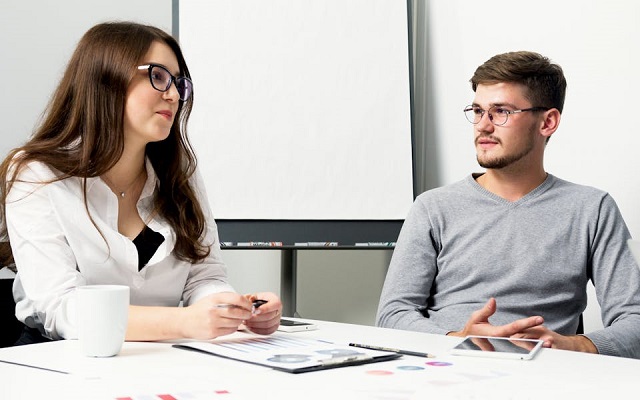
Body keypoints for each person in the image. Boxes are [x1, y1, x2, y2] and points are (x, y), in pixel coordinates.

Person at [0, 21, 282, 345]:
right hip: (61, 358)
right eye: (159, 76)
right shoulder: (36, 174)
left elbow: (205, 278)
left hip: (161, 357)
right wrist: (185, 322)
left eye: (178, 83)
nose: (174, 95)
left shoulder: (181, 172)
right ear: (107, 78)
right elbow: (62, 307)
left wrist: (234, 311)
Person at [376, 51, 640, 359]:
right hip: (445, 366)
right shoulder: (433, 207)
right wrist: (456, 338)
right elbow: (392, 315)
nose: (483, 126)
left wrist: (573, 345)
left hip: (542, 374)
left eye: (501, 112)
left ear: (548, 122)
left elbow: (634, 322)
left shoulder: (592, 209)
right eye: (477, 110)